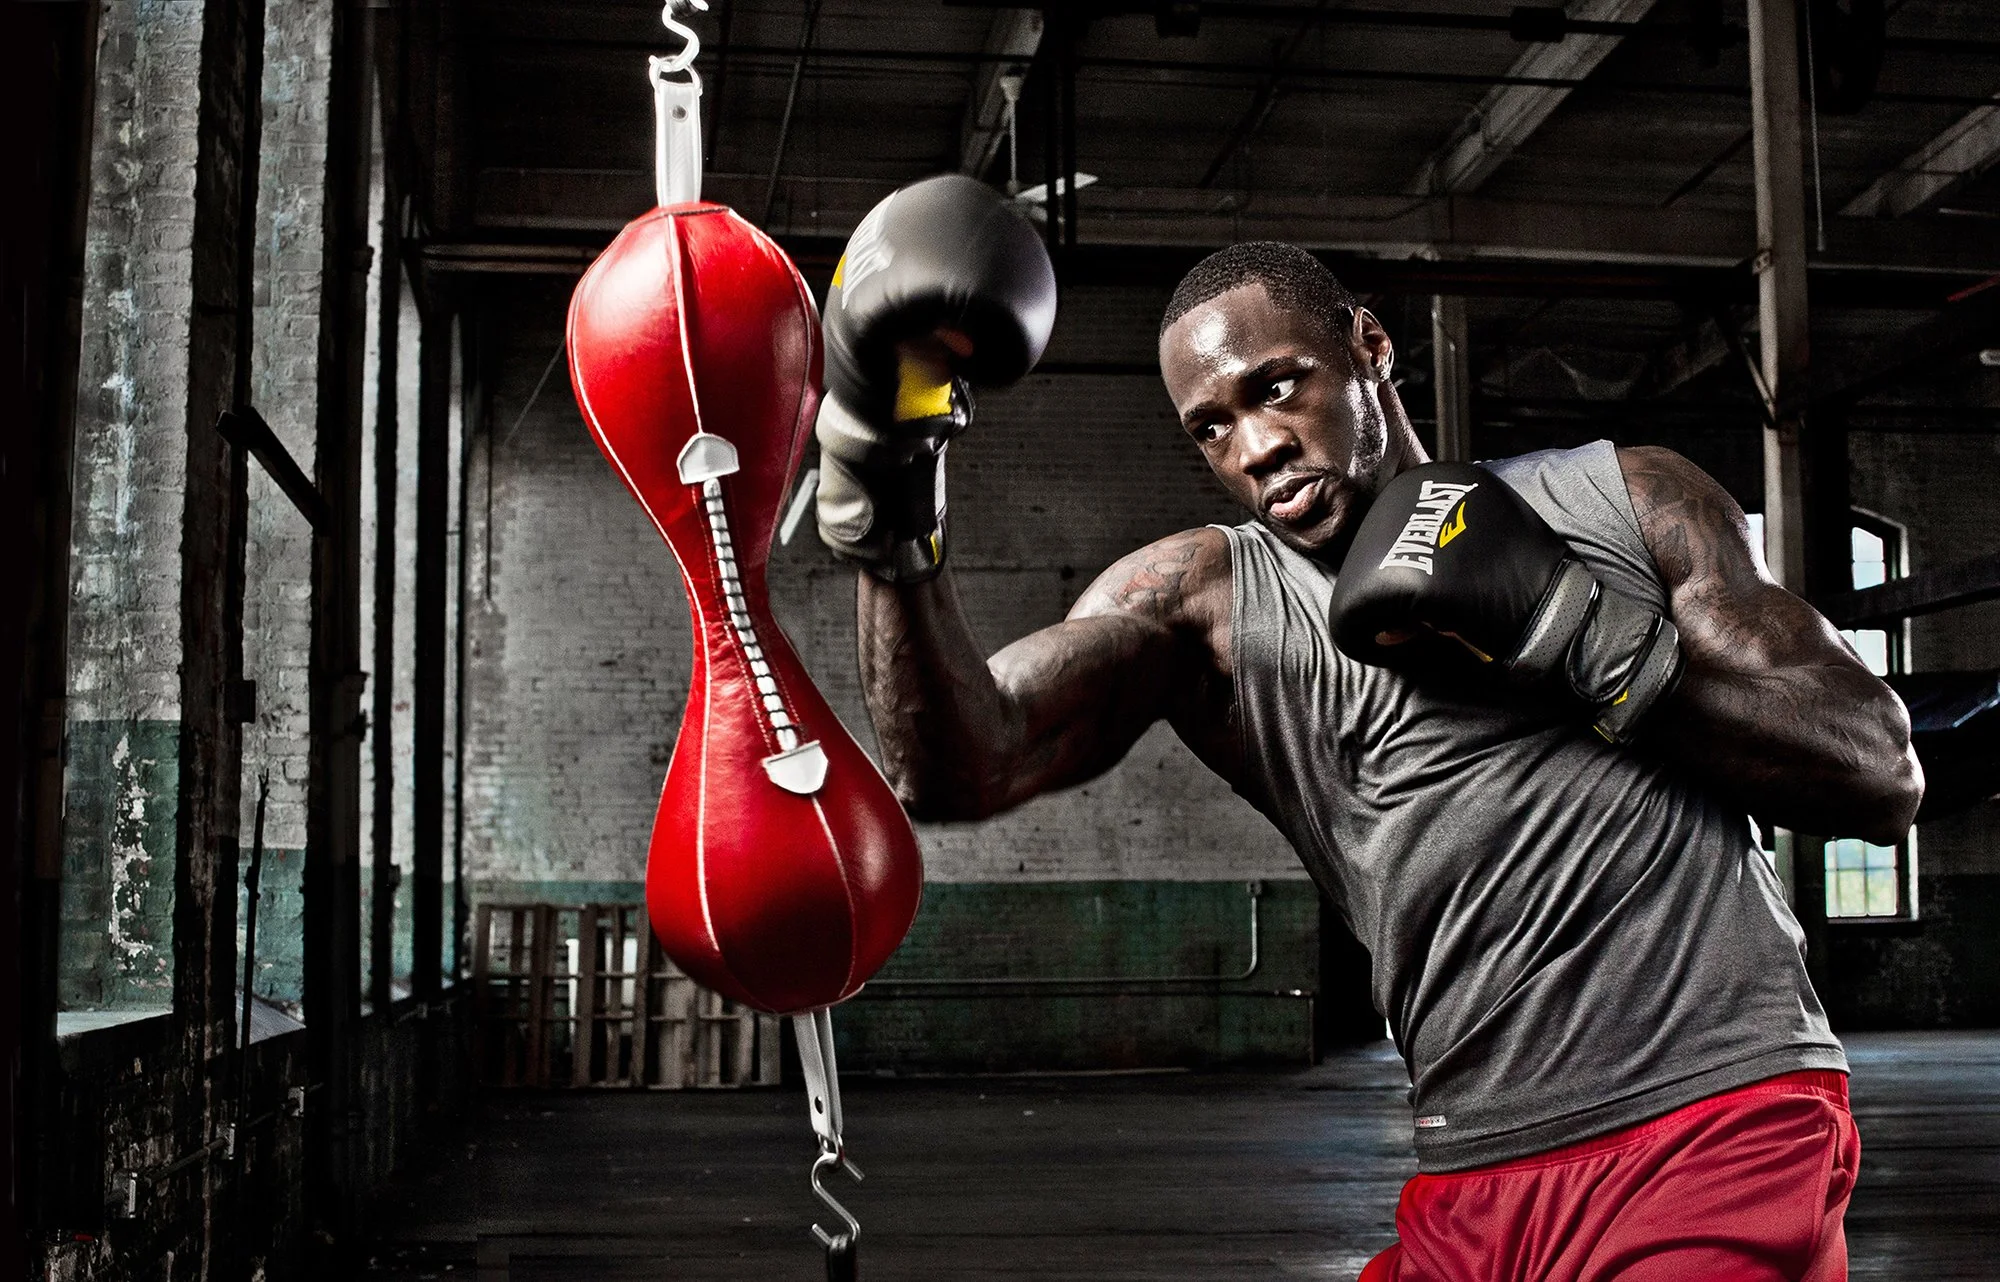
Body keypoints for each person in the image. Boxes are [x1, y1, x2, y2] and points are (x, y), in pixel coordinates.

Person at [813, 178, 1923, 1281]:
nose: (1255, 446)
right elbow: (958, 762)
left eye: (1276, 387)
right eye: (1211, 428)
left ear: (1369, 346)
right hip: (1471, 1173)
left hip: (1716, 1124)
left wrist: (1574, 632)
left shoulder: (1625, 503)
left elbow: (1879, 773)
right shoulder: (1208, 604)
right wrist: (890, 493)